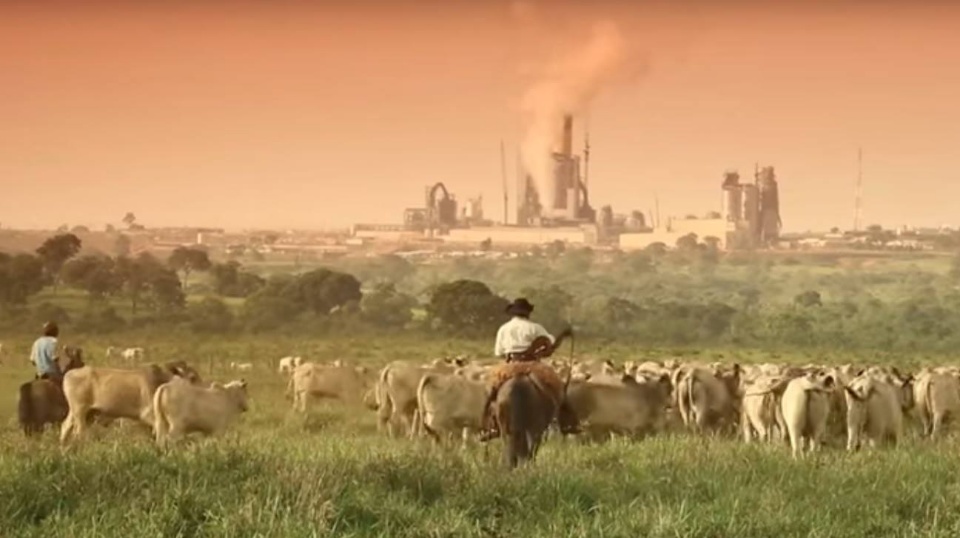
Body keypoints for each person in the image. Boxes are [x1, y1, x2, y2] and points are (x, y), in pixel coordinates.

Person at [478, 298, 580, 442]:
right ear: (528, 313)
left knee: (490, 391)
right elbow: (550, 343)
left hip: (509, 365)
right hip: (533, 365)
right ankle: (567, 422)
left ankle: (490, 425)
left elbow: (499, 352)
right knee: (558, 387)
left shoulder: (504, 328)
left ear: (512, 313)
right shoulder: (535, 327)